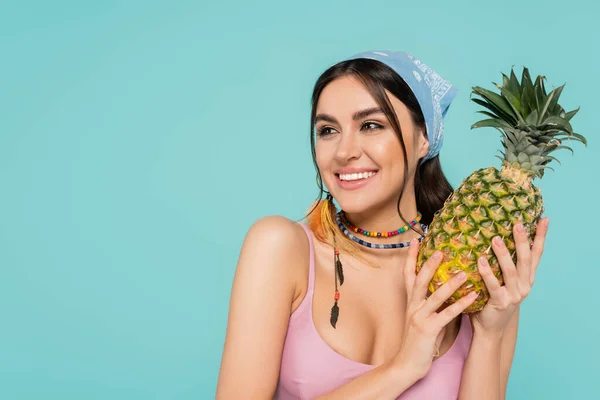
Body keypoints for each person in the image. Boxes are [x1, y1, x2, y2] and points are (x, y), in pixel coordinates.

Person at [215, 50, 549, 399]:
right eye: (327, 130)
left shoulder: (483, 275)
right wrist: (403, 368)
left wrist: (489, 335)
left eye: (371, 125)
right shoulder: (281, 247)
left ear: (424, 139)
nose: (344, 152)